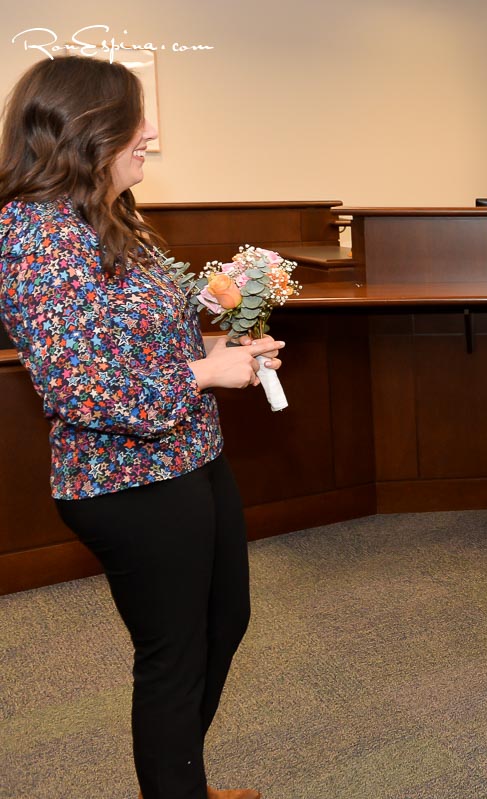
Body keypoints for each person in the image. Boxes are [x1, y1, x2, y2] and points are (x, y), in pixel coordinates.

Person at [0, 57, 283, 799]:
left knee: (224, 623)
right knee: (174, 653)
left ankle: (178, 778)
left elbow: (149, 341)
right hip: (126, 480)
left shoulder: (114, 214)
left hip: (189, 455)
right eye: (135, 119)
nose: (151, 132)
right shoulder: (37, 232)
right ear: (87, 133)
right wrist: (203, 375)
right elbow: (78, 386)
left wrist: (224, 350)